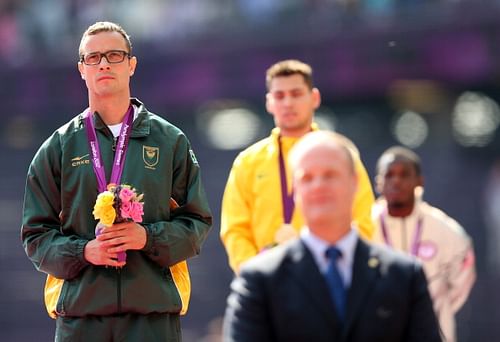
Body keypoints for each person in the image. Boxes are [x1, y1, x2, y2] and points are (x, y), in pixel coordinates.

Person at [21, 21, 212, 342]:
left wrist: (146, 237)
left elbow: (197, 223)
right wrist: (85, 251)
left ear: (131, 64)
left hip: (152, 317)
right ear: (81, 69)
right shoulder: (58, 147)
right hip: (81, 319)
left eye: (114, 55)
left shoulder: (169, 141)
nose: (104, 64)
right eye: (93, 58)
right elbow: (35, 237)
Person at [223, 131, 442, 342]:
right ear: (296, 190)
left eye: (330, 175)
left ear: (355, 183)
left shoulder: (405, 276)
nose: (318, 185)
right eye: (307, 178)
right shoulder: (259, 280)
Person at [220, 59, 375, 273]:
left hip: (331, 277)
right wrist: (256, 274)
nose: (287, 103)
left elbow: (364, 219)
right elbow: (235, 229)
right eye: (279, 96)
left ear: (314, 98)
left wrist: (339, 268)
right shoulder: (248, 162)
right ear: (269, 102)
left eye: (296, 94)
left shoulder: (340, 155)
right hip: (269, 284)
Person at [371, 146, 476, 342]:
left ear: (420, 181)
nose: (396, 181)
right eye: (389, 175)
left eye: (404, 175)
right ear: (378, 183)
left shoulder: (446, 231)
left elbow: (463, 278)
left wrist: (434, 306)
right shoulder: (363, 228)